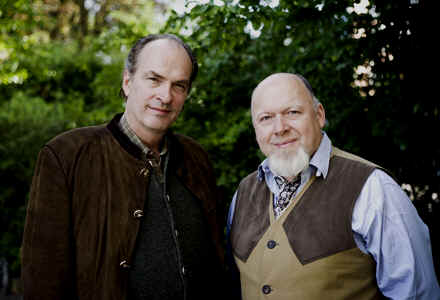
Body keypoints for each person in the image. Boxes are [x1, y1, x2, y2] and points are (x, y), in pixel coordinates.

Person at [21, 34, 225, 300]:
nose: (165, 96)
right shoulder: (66, 156)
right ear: (128, 81)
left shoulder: (196, 157)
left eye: (179, 85)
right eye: (154, 79)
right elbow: (42, 277)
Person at [227, 73, 440, 299]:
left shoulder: (373, 187)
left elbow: (417, 294)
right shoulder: (243, 193)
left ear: (319, 116)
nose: (279, 128)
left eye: (292, 113)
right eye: (266, 118)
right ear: (256, 129)